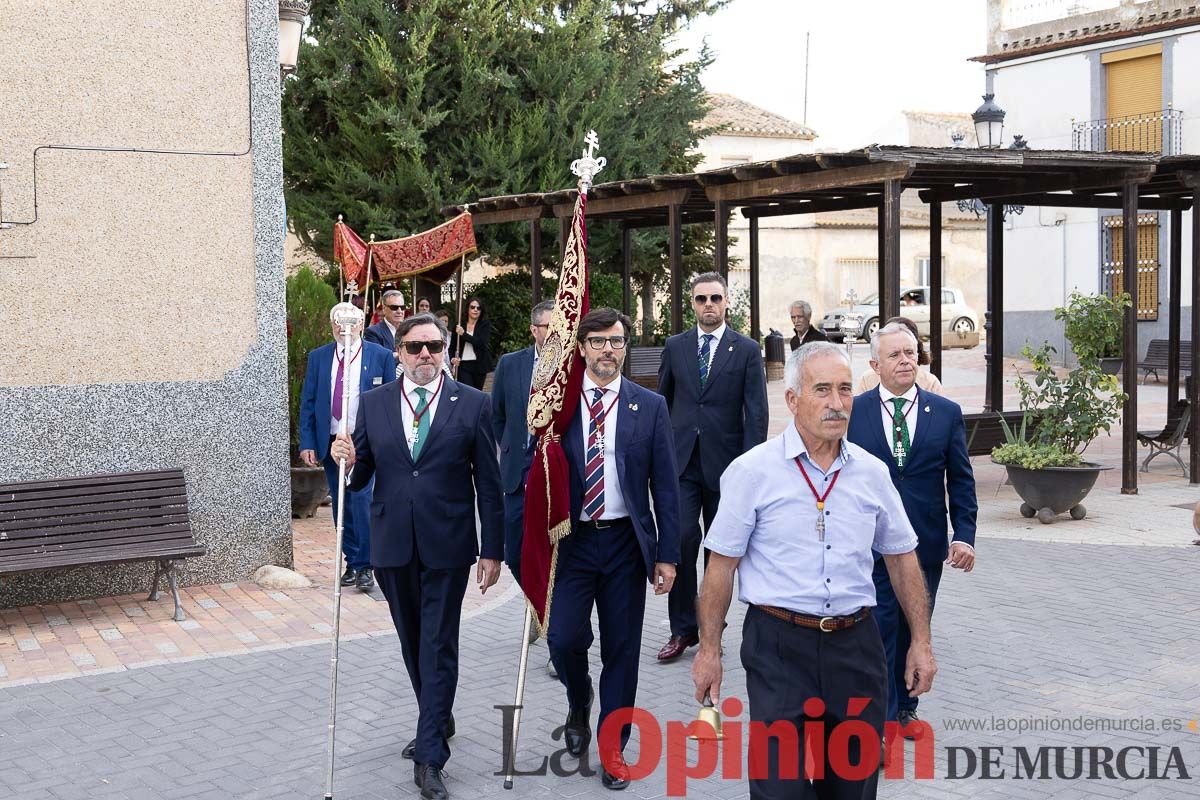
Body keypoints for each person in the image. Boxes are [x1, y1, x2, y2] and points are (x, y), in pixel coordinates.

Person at [692, 342, 937, 800]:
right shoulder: (752, 472)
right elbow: (720, 568)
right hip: (779, 646)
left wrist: (921, 642)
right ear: (792, 400)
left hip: (856, 648)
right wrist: (709, 650)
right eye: (822, 390)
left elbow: (902, 558)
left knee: (852, 787)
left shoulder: (872, 473)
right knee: (779, 788)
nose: (837, 402)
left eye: (845, 390)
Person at [330, 312, 503, 800]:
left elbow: (488, 485)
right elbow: (360, 479)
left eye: (432, 345)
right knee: (411, 640)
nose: (423, 354)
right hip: (392, 544)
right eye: (413, 347)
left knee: (438, 642)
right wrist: (347, 460)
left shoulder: (472, 404)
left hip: (447, 544)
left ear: (445, 349)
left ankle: (430, 755)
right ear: (399, 353)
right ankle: (440, 716)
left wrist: (493, 549)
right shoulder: (373, 402)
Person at [548, 307, 680, 791]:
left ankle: (614, 748)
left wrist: (668, 555)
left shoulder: (649, 406)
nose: (609, 349)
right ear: (582, 347)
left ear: (626, 347)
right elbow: (531, 470)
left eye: (617, 341)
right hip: (574, 542)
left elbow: (666, 486)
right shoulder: (558, 405)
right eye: (599, 341)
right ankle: (579, 701)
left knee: (622, 650)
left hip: (626, 542)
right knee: (563, 639)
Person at [847, 320, 976, 733]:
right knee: (880, 626)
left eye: (910, 352)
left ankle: (906, 706)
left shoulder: (945, 413)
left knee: (914, 624)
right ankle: (881, 722)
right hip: (871, 544)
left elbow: (960, 479)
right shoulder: (855, 411)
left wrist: (965, 536)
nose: (906, 360)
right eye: (895, 355)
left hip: (925, 543)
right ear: (874, 364)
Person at [656, 272, 768, 663]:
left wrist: (751, 469)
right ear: (692, 302)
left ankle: (711, 627)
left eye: (715, 298)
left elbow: (756, 413)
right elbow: (662, 404)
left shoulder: (747, 350)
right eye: (701, 298)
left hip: (728, 467)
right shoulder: (675, 346)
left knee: (719, 551)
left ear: (726, 302)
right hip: (682, 463)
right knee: (683, 539)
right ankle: (681, 628)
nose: (708, 305)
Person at [298, 303, 396, 591]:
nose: (344, 329)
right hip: (331, 439)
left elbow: (389, 399)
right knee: (341, 504)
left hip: (365, 441)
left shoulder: (379, 356)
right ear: (331, 325)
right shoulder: (319, 357)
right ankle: (352, 560)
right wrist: (307, 442)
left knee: (362, 501)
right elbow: (309, 402)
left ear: (362, 324)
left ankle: (365, 565)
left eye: (350, 322)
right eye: (338, 323)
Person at [491, 300, 554, 585]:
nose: (555, 333)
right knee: (515, 551)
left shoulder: (573, 366)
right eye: (548, 327)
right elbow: (498, 416)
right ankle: (537, 603)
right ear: (534, 330)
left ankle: (552, 613)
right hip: (518, 469)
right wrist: (511, 447)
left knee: (556, 549)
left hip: (557, 468)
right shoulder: (510, 363)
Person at [855, 316, 944, 394]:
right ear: (876, 365)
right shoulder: (867, 379)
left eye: (909, 352)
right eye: (894, 355)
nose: (904, 361)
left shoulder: (930, 382)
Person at [451, 296, 492, 390]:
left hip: (479, 364)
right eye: (472, 307)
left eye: (478, 308)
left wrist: (464, 334)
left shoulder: (484, 325)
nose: (475, 310)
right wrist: (452, 358)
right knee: (468, 391)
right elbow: (452, 347)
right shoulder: (459, 325)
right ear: (468, 309)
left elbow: (481, 343)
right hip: (463, 365)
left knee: (477, 392)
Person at [364, 288, 406, 355]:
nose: (399, 311)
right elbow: (377, 357)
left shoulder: (410, 330)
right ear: (384, 309)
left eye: (402, 307)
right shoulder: (373, 332)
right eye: (394, 307)